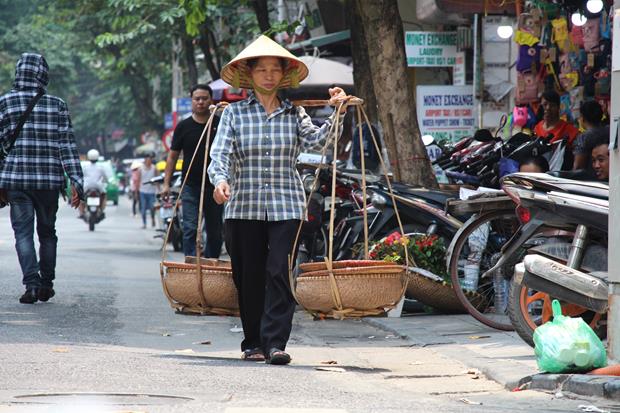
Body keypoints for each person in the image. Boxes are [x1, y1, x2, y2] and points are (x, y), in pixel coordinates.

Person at [208, 35, 349, 365]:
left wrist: (337, 110)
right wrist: (220, 181)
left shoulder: (295, 114)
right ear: (251, 74)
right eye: (262, 69)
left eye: (275, 70)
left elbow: (318, 142)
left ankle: (275, 343)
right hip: (243, 205)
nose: (269, 75)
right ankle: (253, 342)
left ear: (283, 76)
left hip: (287, 203)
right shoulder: (234, 114)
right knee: (250, 275)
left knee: (279, 270)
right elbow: (220, 154)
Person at [0, 53, 83, 304]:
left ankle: (32, 285)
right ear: (42, 74)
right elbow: (66, 145)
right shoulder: (57, 104)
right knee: (47, 234)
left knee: (23, 234)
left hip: (16, 181)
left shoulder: (5, 102)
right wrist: (76, 181)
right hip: (48, 182)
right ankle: (46, 284)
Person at [162, 84, 223, 258]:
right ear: (191, 101)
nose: (201, 102)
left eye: (205, 98)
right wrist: (166, 184)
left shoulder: (220, 125)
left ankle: (211, 265)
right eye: (197, 99)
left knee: (215, 231)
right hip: (189, 186)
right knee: (190, 227)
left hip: (215, 185)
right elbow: (172, 157)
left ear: (211, 100)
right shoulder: (183, 126)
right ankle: (190, 264)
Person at [573, 101, 608, 170]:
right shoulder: (608, 131)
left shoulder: (584, 137)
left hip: (589, 177)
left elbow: (578, 166)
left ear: (583, 118)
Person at [78, 149, 108, 219]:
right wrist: (105, 182)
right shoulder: (101, 167)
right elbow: (105, 177)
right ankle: (101, 210)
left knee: (80, 198)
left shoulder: (85, 166)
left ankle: (81, 212)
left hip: (86, 186)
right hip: (98, 186)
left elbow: (81, 176)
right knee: (104, 196)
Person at [137, 153, 157, 228]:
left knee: (152, 207)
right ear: (145, 160)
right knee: (143, 208)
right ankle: (144, 223)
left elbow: (157, 179)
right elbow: (138, 181)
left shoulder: (154, 168)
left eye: (150, 159)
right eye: (148, 159)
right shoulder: (140, 169)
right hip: (142, 191)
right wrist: (137, 192)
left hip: (151, 192)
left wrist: (159, 189)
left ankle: (153, 218)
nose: (149, 161)